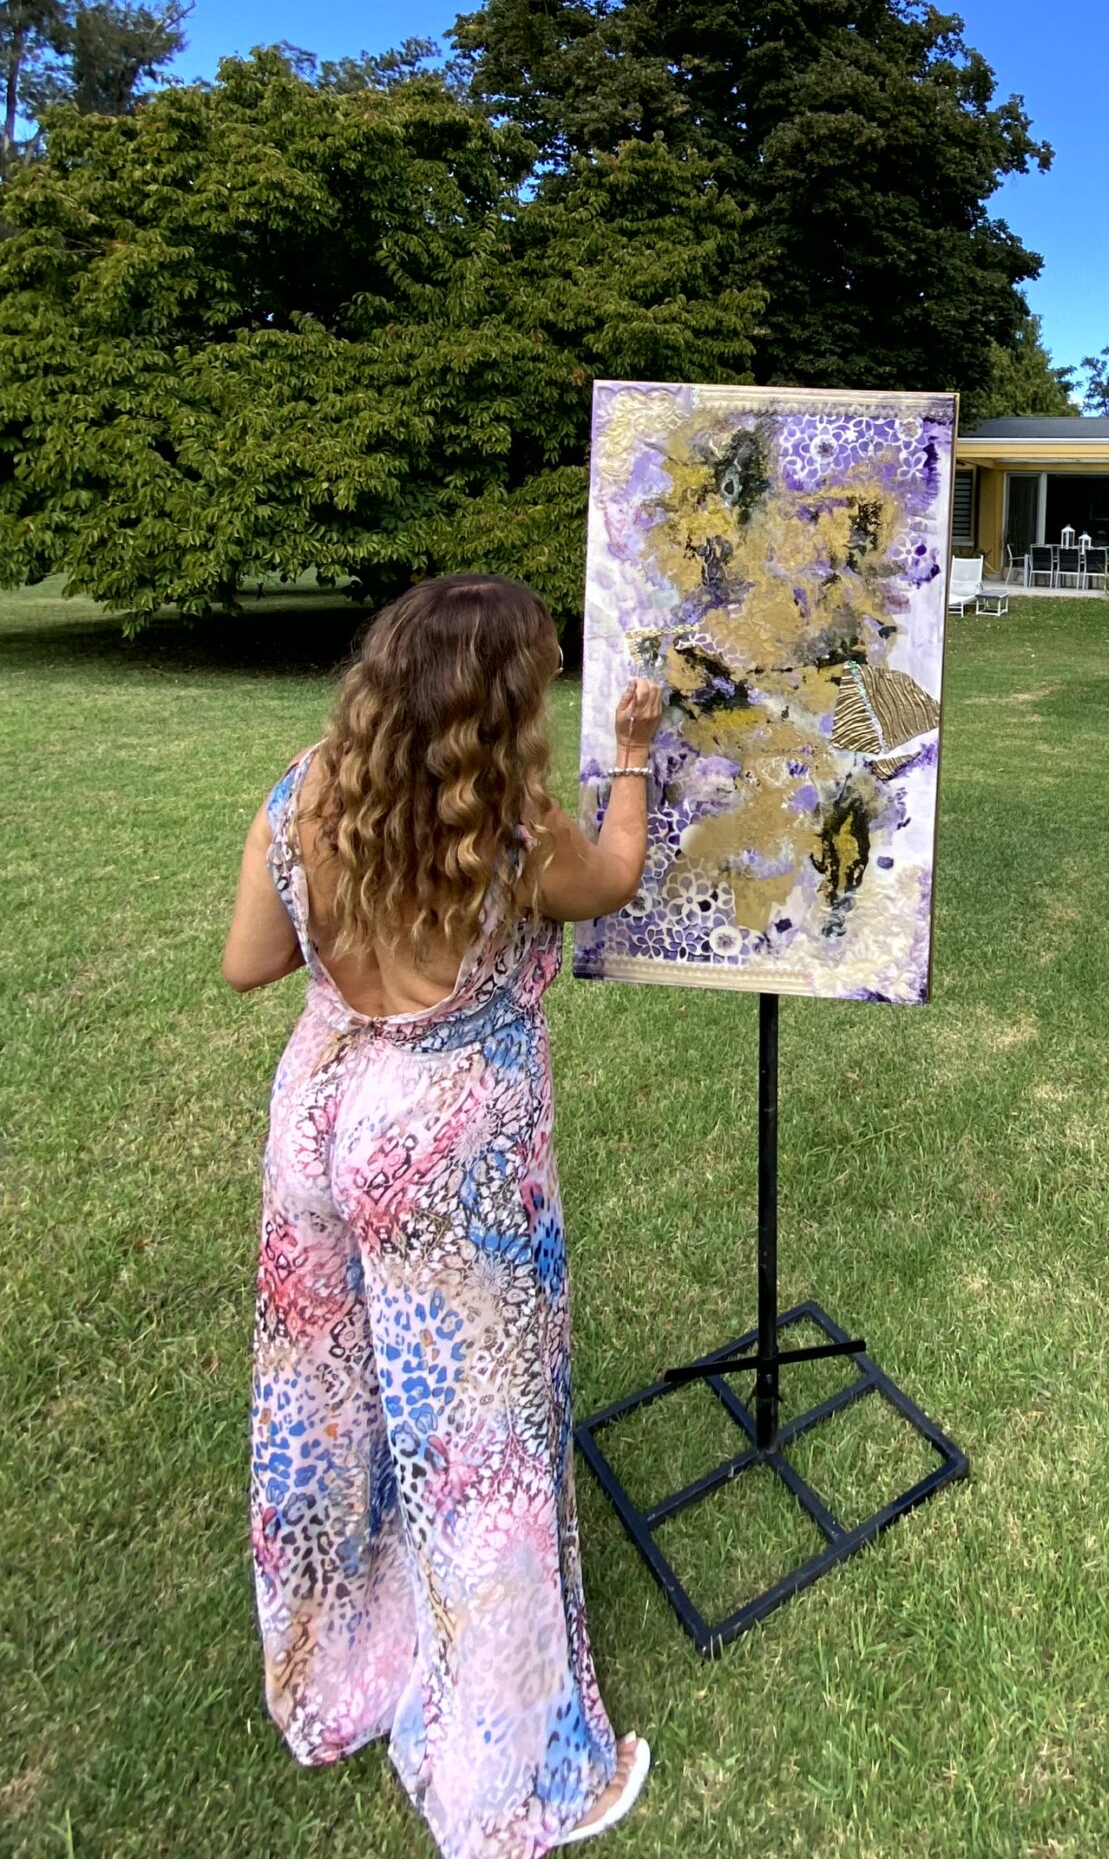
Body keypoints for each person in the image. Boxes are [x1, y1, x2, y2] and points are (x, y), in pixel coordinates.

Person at [222, 574, 663, 1857]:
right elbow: (616, 878)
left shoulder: (301, 790)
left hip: (319, 1119)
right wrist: (629, 759)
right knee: (482, 1454)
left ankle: (335, 1668)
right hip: (443, 1141)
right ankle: (507, 1768)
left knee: (326, 1409)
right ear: (500, 704)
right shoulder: (512, 823)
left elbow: (252, 962)